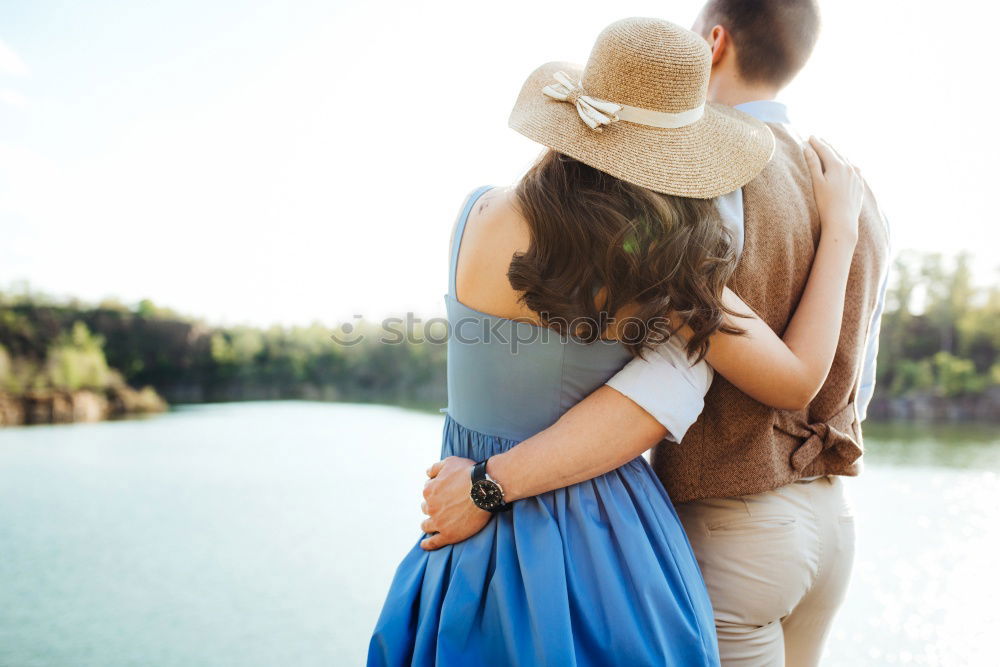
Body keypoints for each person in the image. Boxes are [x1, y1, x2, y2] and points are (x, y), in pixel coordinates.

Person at [370, 16, 867, 667]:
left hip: (462, 524)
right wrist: (842, 232)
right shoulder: (652, 266)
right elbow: (797, 377)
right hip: (596, 540)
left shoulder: (477, 213)